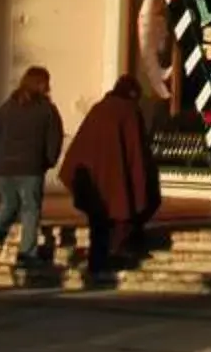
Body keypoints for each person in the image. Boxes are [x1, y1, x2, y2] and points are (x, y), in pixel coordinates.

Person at [62, 75, 159, 282]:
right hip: (118, 181)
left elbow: (82, 146)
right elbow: (138, 151)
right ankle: (115, 256)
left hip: (96, 181)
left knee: (98, 224)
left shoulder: (99, 109)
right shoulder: (130, 112)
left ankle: (97, 264)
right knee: (121, 219)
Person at [0, 65, 62, 267]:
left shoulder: (8, 107)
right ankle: (27, 252)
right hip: (31, 166)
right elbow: (54, 138)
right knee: (30, 209)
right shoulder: (46, 110)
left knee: (9, 204)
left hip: (6, 166)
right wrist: (48, 161)